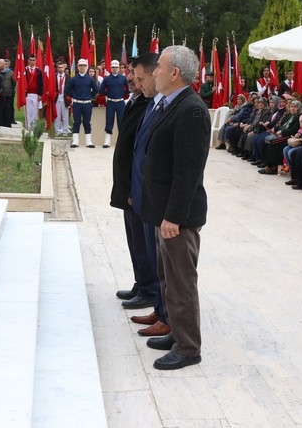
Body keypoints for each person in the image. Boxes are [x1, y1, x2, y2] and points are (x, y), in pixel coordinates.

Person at [141, 45, 210, 370]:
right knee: (167, 278)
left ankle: (188, 347)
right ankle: (175, 331)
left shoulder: (192, 110)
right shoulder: (172, 104)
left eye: (159, 67)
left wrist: (173, 217)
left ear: (175, 73)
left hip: (176, 218)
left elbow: (188, 171)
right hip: (164, 212)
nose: (153, 71)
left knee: (181, 282)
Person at [114, 54, 170, 336]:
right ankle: (142, 283)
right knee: (136, 239)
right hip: (133, 184)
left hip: (146, 190)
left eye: (139, 76)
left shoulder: (155, 104)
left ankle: (151, 291)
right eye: (131, 75)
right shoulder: (139, 100)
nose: (133, 80)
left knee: (151, 247)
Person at [64, 59, 98, 148]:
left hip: (87, 104)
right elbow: (67, 90)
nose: (82, 67)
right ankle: (75, 141)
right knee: (76, 122)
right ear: (78, 67)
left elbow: (95, 90)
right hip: (77, 104)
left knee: (87, 122)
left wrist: (90, 96)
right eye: (81, 66)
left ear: (86, 67)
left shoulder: (90, 79)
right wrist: (74, 96)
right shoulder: (73, 79)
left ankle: (88, 141)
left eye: (84, 66)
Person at [98, 60, 129, 148]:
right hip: (110, 102)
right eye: (113, 67)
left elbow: (128, 89)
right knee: (109, 121)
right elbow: (101, 90)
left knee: (121, 121)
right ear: (111, 68)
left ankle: (121, 141)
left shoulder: (123, 78)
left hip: (120, 103)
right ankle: (107, 141)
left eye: (116, 67)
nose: (114, 69)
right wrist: (109, 94)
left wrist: (122, 93)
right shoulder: (107, 79)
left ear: (119, 68)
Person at [25, 54, 44, 130]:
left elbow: (41, 83)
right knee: (28, 111)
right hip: (27, 94)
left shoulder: (38, 71)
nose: (32, 61)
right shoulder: (25, 70)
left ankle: (34, 127)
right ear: (28, 61)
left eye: (33, 60)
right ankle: (28, 127)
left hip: (36, 94)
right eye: (31, 60)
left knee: (35, 111)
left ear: (36, 61)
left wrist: (40, 94)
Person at [53, 61, 71, 136]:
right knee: (57, 115)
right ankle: (57, 130)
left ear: (64, 68)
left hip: (65, 97)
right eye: (59, 67)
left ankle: (65, 130)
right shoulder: (54, 76)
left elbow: (70, 87)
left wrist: (69, 97)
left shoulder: (67, 76)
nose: (60, 69)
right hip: (57, 98)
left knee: (65, 115)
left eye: (62, 67)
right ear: (57, 68)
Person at [0, 58, 16, 126]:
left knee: (8, 110)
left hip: (8, 94)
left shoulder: (11, 73)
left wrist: (10, 89)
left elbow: (13, 83)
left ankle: (8, 123)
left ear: (4, 64)